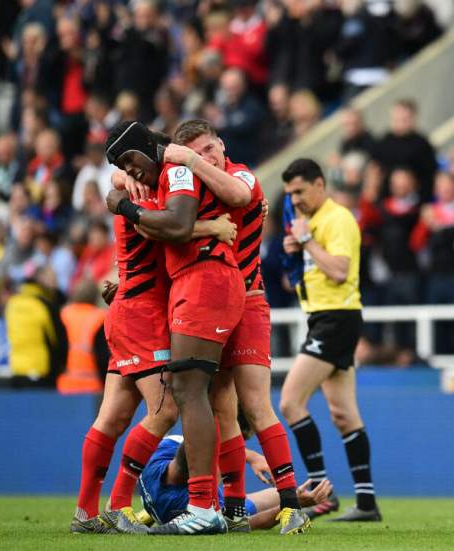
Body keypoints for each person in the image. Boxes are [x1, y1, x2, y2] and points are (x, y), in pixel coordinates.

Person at [71, 151, 237, 534]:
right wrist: (212, 227)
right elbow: (161, 227)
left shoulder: (140, 187)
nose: (130, 174)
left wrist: (119, 186)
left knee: (112, 417)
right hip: (142, 315)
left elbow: (128, 193)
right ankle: (117, 506)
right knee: (163, 411)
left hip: (131, 311)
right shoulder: (147, 195)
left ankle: (85, 512)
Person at [162, 119, 308, 534]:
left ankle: (291, 504)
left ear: (221, 144)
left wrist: (189, 160)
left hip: (249, 301)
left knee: (257, 405)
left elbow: (240, 194)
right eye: (198, 152)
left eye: (210, 148)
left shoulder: (239, 174)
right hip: (215, 304)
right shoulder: (196, 188)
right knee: (224, 411)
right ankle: (236, 511)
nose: (207, 157)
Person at [279, 158, 381, 522]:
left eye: (300, 191)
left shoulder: (337, 219)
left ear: (320, 185)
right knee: (343, 413)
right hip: (324, 317)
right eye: (290, 193)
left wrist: (306, 240)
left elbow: (338, 271)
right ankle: (366, 502)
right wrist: (296, 253)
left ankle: (322, 491)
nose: (294, 199)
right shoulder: (311, 222)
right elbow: (299, 281)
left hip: (336, 318)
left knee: (291, 402)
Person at [137, 413, 332, 532]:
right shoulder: (192, 504)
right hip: (175, 505)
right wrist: (292, 502)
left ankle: (145, 512)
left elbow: (194, 443)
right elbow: (249, 523)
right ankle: (147, 512)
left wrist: (290, 498)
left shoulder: (160, 458)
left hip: (163, 492)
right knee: (238, 513)